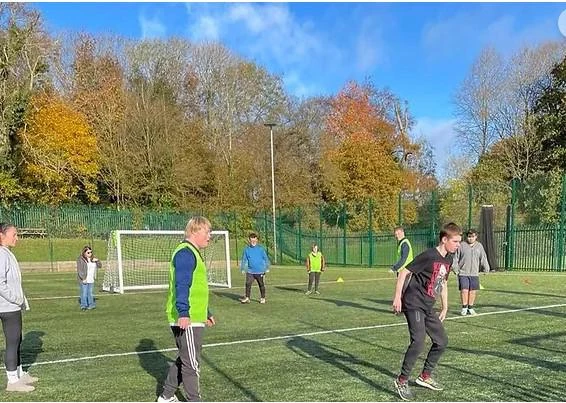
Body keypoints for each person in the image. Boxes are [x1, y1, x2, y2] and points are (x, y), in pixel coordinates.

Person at [392, 222, 462, 401]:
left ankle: (424, 376)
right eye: (455, 241)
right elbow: (404, 272)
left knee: (442, 341)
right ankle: (402, 380)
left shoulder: (449, 259)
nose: (458, 245)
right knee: (418, 341)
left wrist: (445, 306)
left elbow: (443, 282)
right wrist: (397, 297)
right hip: (413, 302)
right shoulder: (429, 255)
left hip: (428, 306)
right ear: (444, 239)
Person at [158, 216, 216, 402]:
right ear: (195, 231)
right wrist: (184, 312)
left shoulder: (192, 252)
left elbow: (195, 287)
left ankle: (166, 396)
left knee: (185, 358)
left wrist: (206, 312)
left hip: (194, 316)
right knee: (191, 363)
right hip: (187, 318)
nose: (209, 236)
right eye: (207, 231)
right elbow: (182, 285)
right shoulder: (185, 253)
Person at [0, 223, 38, 392]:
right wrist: (16, 298)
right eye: (14, 234)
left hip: (11, 305)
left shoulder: (7, 253)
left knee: (17, 340)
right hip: (7, 306)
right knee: (13, 342)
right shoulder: (1, 254)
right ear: (2, 235)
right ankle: (12, 381)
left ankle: (20, 373)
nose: (17, 238)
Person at [453, 229, 490, 316]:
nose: (470, 238)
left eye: (472, 237)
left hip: (474, 273)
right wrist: (455, 269)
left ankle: (470, 307)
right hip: (463, 273)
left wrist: (486, 268)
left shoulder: (479, 246)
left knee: (472, 291)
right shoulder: (461, 245)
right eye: (469, 237)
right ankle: (464, 307)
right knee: (464, 290)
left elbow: (483, 258)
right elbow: (455, 258)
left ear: (476, 237)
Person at [239, 233, 270, 304]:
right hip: (250, 271)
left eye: (254, 240)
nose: (253, 242)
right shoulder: (246, 250)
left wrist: (267, 267)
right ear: (249, 240)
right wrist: (243, 268)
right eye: (251, 240)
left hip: (260, 271)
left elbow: (266, 258)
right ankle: (247, 298)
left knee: (261, 284)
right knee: (248, 283)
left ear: (257, 240)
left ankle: (262, 298)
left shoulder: (261, 249)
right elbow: (244, 259)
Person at [76, 246, 101, 310]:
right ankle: (83, 305)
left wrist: (97, 261)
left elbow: (99, 266)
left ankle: (91, 305)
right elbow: (79, 270)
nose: (90, 254)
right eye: (88, 252)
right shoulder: (80, 259)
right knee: (84, 293)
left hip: (91, 279)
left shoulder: (93, 259)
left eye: (91, 252)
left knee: (90, 293)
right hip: (84, 279)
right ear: (84, 253)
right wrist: (83, 278)